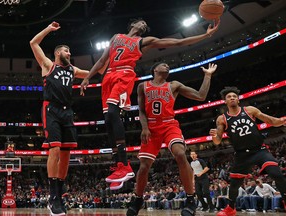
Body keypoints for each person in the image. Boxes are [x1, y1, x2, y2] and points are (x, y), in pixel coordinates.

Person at [80, 18, 220, 190]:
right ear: (132, 24)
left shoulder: (144, 42)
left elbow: (178, 42)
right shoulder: (116, 37)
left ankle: (124, 164)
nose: (144, 25)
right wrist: (87, 77)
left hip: (124, 75)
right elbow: (102, 61)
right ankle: (118, 164)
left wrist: (205, 35)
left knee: (112, 114)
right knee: (108, 120)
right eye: (141, 23)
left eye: (146, 25)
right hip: (108, 76)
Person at [126, 62, 218, 216]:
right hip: (151, 127)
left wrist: (207, 76)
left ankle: (190, 199)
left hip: (169, 124)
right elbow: (141, 110)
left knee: (181, 154)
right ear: (155, 69)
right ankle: (138, 199)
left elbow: (200, 96)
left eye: (168, 66)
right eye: (163, 65)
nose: (167, 66)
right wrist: (144, 127)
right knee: (143, 167)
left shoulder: (174, 84)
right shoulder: (143, 86)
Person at [30, 21, 89, 216]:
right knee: (54, 149)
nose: (69, 53)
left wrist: (111, 64)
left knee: (66, 154)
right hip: (51, 110)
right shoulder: (48, 65)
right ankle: (53, 196)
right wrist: (48, 29)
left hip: (67, 112)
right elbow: (33, 43)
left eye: (70, 51)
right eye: (66, 51)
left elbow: (92, 73)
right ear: (57, 53)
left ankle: (59, 194)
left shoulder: (72, 70)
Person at [209, 86, 286, 216]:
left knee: (277, 174)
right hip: (242, 155)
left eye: (234, 96)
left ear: (238, 100)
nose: (232, 98)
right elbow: (218, 141)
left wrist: (282, 121)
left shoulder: (250, 110)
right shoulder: (222, 119)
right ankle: (231, 208)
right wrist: (214, 136)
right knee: (234, 185)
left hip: (259, 151)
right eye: (229, 97)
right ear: (225, 101)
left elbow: (270, 120)